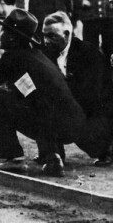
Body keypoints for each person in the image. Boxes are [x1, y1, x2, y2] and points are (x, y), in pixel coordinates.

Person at [0, 9, 86, 177]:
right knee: (30, 96)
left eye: (3, 30)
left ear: (12, 37)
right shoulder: (37, 55)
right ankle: (52, 155)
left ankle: (14, 159)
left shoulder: (13, 58)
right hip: (73, 125)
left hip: (59, 125)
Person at [42, 11, 113, 166]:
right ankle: (52, 153)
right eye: (44, 35)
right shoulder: (46, 53)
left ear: (67, 34)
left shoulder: (88, 53)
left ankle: (106, 150)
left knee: (91, 139)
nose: (46, 41)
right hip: (70, 106)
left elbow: (93, 94)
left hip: (96, 110)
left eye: (52, 36)